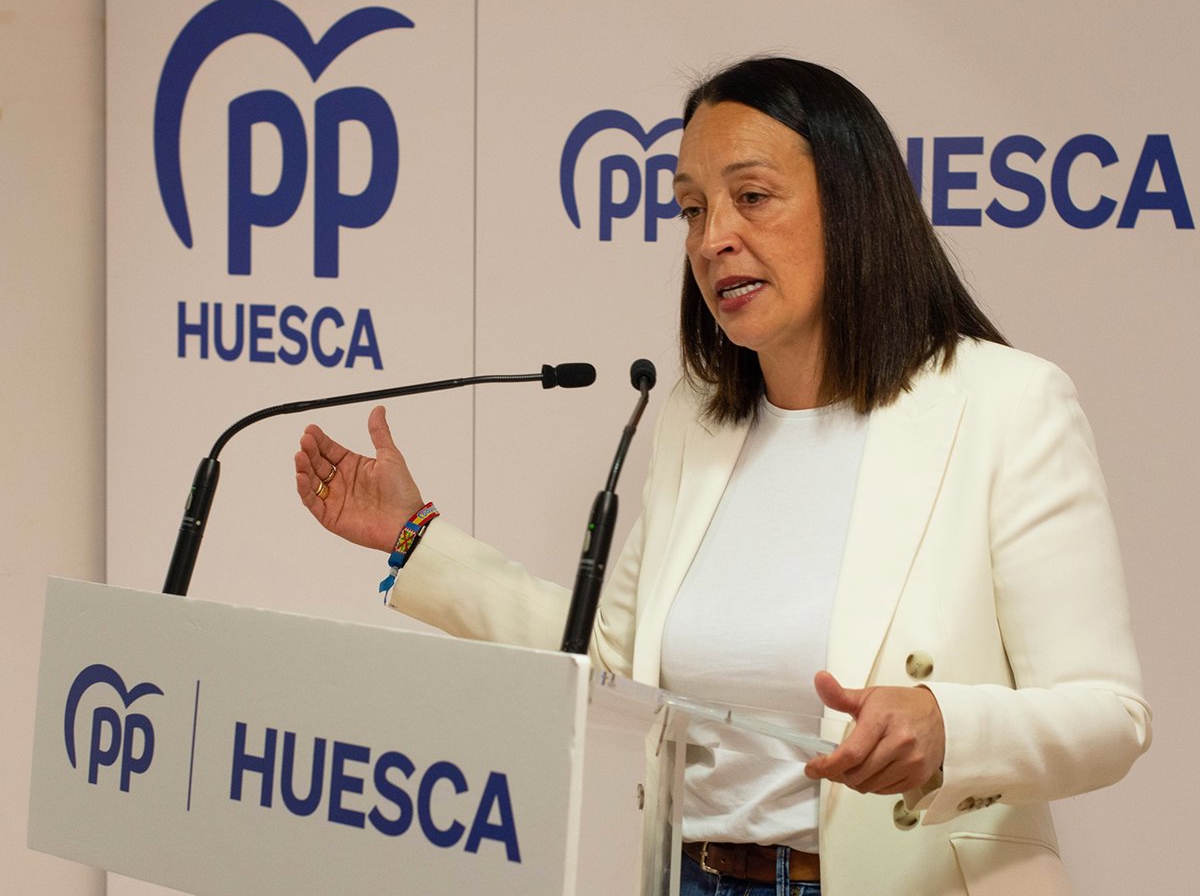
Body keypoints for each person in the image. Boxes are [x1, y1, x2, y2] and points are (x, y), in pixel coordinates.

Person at [294, 57, 1151, 895]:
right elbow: (610, 664)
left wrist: (948, 727)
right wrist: (417, 540)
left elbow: (1109, 714)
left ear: (853, 205)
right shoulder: (697, 421)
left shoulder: (1006, 403)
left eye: (753, 197)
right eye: (692, 209)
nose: (712, 240)